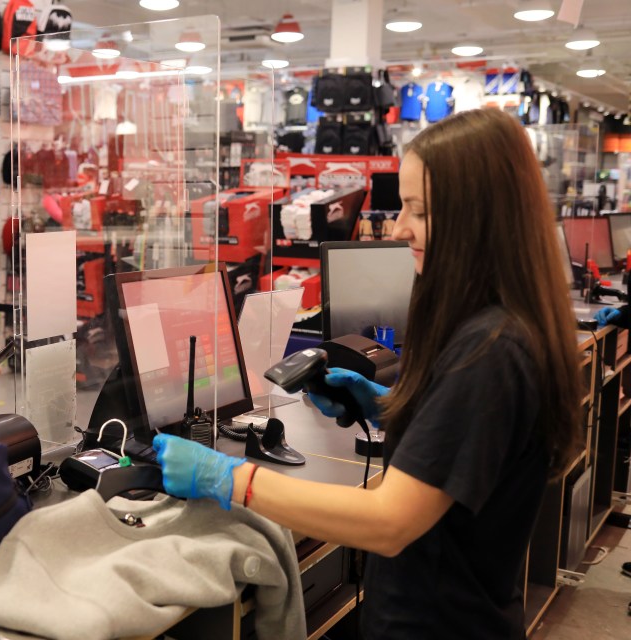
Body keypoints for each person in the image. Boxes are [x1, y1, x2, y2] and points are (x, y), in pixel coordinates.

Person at [152, 109, 582, 639]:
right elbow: (475, 443)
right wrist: (388, 404)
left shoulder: (491, 351)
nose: (400, 228)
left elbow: (388, 522)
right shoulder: (496, 327)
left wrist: (226, 477)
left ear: (477, 218)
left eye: (418, 211)